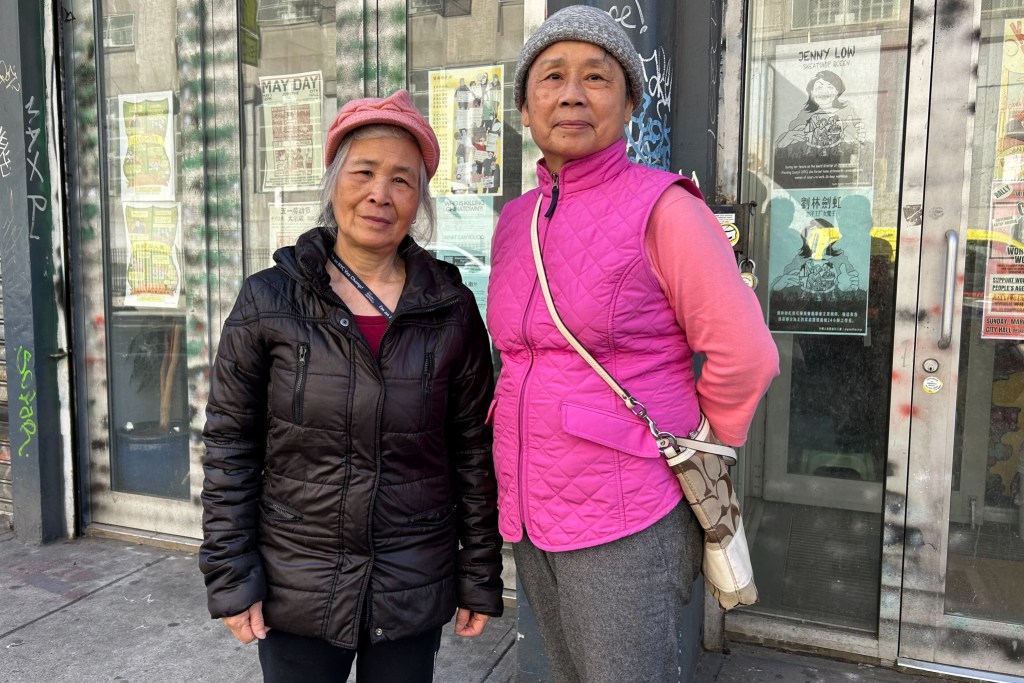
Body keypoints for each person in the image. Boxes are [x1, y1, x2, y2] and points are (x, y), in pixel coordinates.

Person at [486, 7, 779, 683]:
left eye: (597, 77)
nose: (571, 93)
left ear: (626, 104)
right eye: (551, 77)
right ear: (526, 111)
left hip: (629, 508)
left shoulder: (666, 209)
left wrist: (700, 443)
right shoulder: (514, 222)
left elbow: (746, 354)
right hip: (531, 505)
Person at [200, 89, 503, 683]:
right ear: (334, 180)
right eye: (364, 172)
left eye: (402, 180)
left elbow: (472, 450)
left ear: (420, 201)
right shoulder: (269, 300)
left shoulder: (451, 308)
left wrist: (480, 574)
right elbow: (230, 447)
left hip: (411, 578)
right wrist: (232, 577)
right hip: (298, 579)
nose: (379, 195)